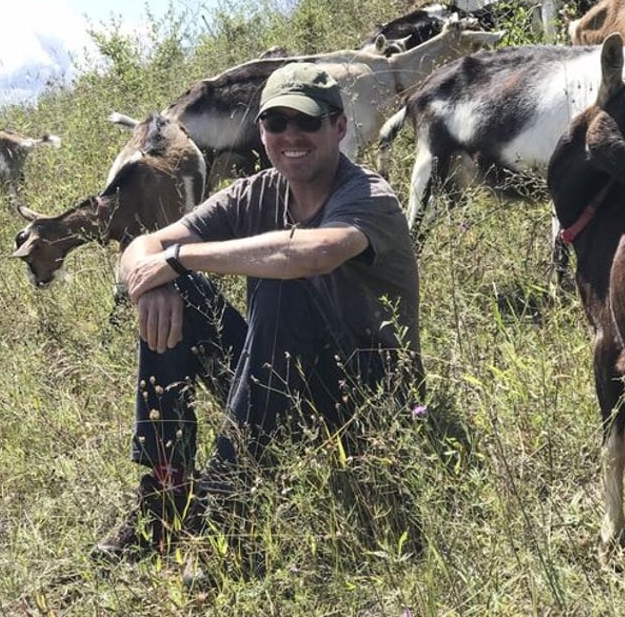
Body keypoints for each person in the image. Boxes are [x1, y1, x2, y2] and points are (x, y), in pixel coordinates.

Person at [94, 61, 423, 561]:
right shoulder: (257, 191)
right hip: (277, 381)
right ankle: (166, 491)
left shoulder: (367, 195)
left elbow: (310, 254)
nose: (292, 135)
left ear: (339, 126)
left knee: (282, 283)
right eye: (276, 123)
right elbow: (141, 245)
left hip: (371, 397)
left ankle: (227, 502)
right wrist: (153, 279)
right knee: (174, 289)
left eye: (308, 122)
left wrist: (177, 259)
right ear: (262, 132)